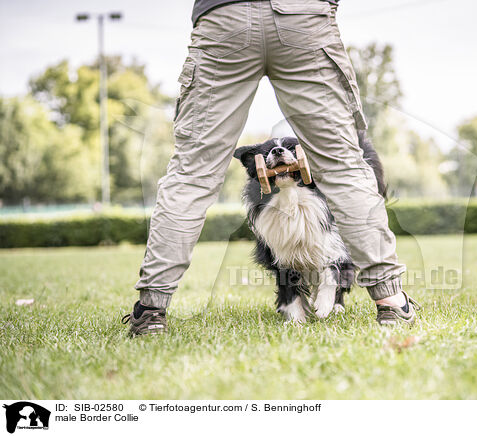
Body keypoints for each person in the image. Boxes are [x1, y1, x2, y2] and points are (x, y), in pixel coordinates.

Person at [122, 0, 420, 335]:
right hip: (303, 16)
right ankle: (391, 302)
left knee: (192, 176)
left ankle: (150, 311)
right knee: (343, 169)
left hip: (223, 18)